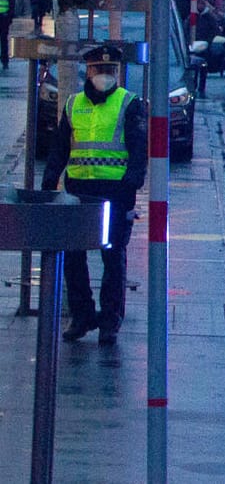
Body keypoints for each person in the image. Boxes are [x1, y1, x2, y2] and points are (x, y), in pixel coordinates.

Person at [44, 45, 148, 344]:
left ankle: (109, 321)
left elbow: (139, 149)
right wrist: (50, 180)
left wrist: (132, 185)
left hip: (115, 193)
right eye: (99, 71)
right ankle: (82, 315)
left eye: (109, 71)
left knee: (112, 257)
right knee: (74, 257)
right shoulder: (73, 104)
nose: (104, 76)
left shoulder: (129, 103)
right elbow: (61, 146)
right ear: (88, 72)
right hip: (78, 192)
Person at [0, 0, 15, 70]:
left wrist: (10, 16)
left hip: (4, 16)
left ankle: (5, 60)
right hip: (4, 16)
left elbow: (12, 0)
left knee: (3, 39)